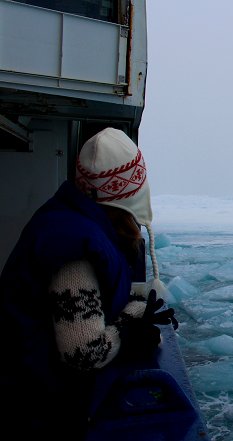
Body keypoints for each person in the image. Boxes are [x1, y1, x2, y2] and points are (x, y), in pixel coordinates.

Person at [0, 127, 178, 439]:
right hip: (36, 409)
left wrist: (134, 292)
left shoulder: (68, 220)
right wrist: (131, 319)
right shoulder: (72, 250)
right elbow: (84, 352)